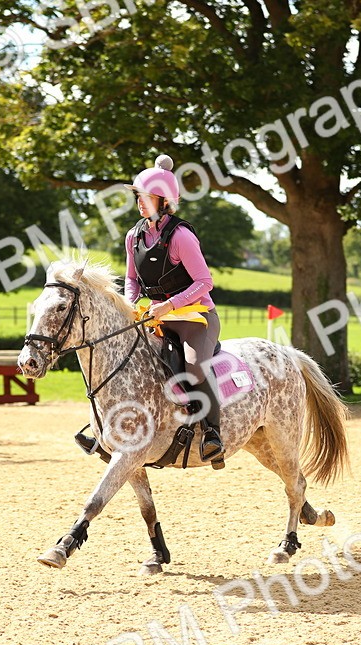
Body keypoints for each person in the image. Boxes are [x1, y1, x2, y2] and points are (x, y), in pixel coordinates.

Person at [124, 154, 226, 466]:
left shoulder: (181, 236)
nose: (140, 203)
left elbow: (204, 282)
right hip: (157, 318)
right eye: (138, 197)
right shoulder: (133, 236)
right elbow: (131, 279)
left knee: (194, 367)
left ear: (164, 201)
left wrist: (169, 305)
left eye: (147, 197)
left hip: (195, 318)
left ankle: (212, 434)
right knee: (125, 361)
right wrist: (130, 305)